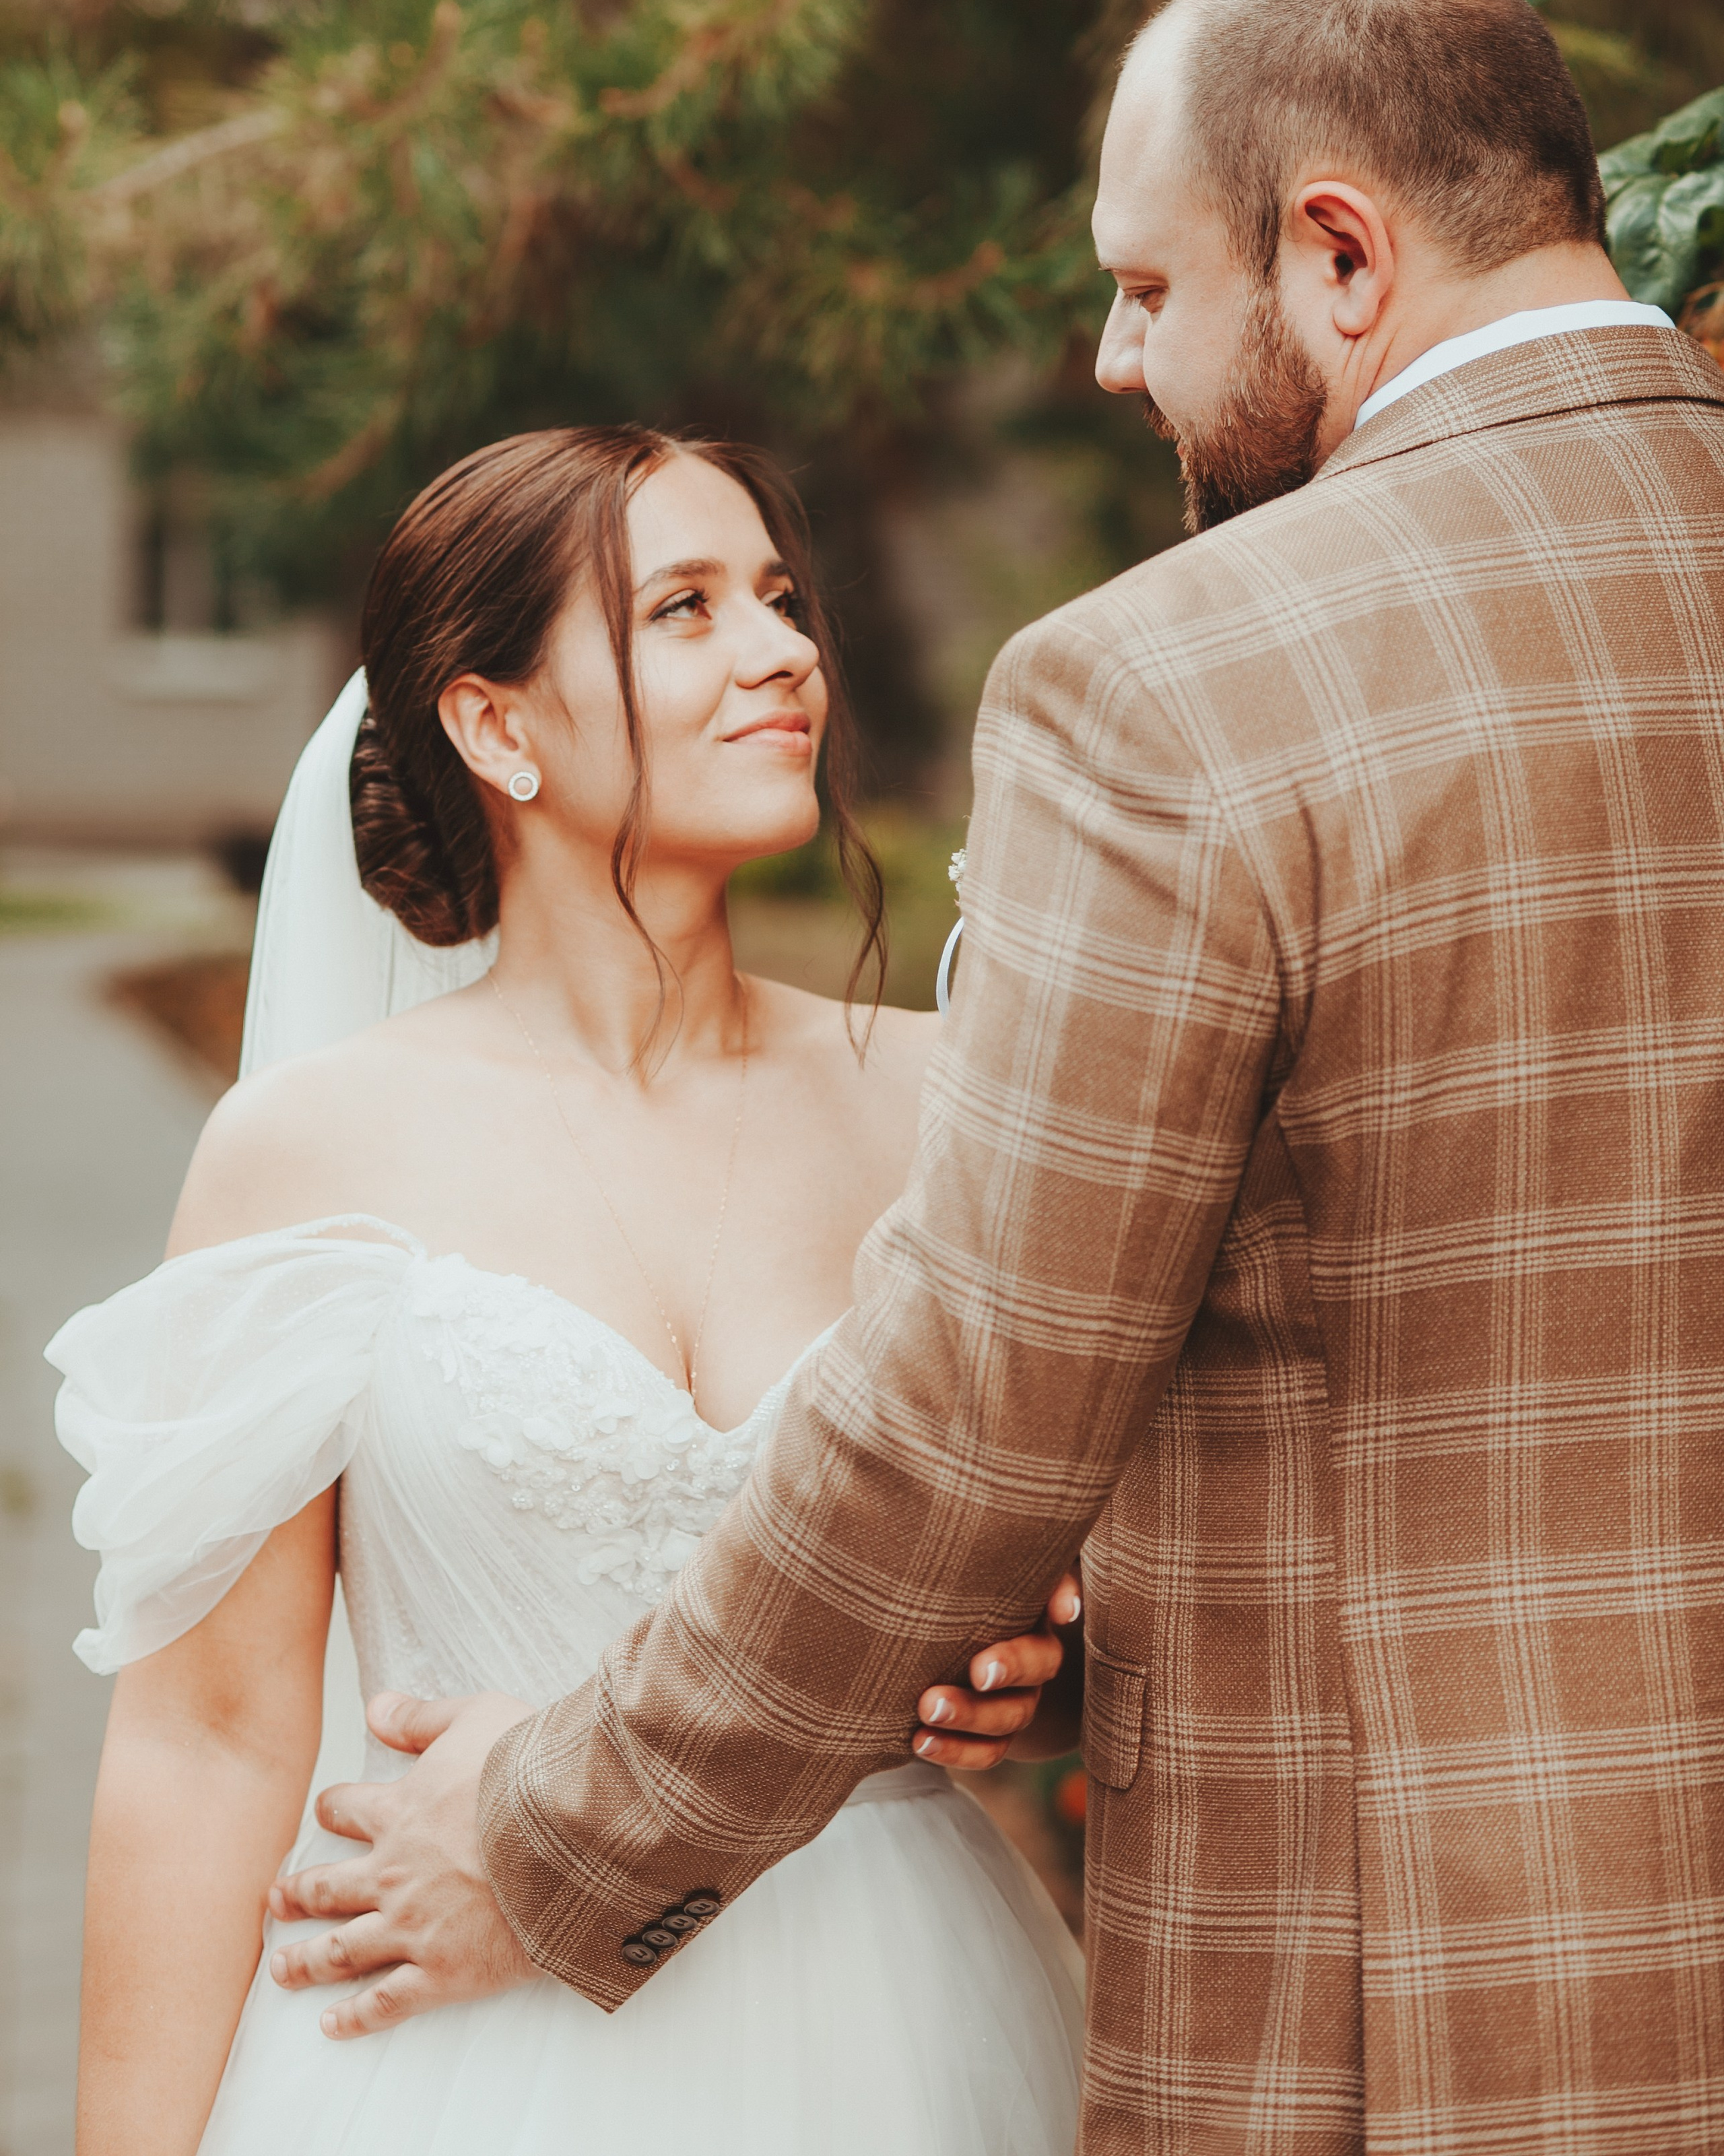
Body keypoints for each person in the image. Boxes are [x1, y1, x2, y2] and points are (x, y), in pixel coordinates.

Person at [261, 0, 1724, 2153]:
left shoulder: (1181, 688)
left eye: (1149, 287)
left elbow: (970, 1416)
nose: (1119, 360)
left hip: (1415, 2007)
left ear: (1340, 256)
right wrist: (1057, 1648)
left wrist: (553, 1835)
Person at [48, 424, 1086, 2156]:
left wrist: (1034, 1676)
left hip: (907, 2017)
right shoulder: (307, 1149)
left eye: (779, 598)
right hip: (445, 2051)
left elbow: (1076, 1582)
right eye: (683, 608)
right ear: (496, 727)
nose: (781, 652)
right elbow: (208, 1743)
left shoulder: (944, 1098)